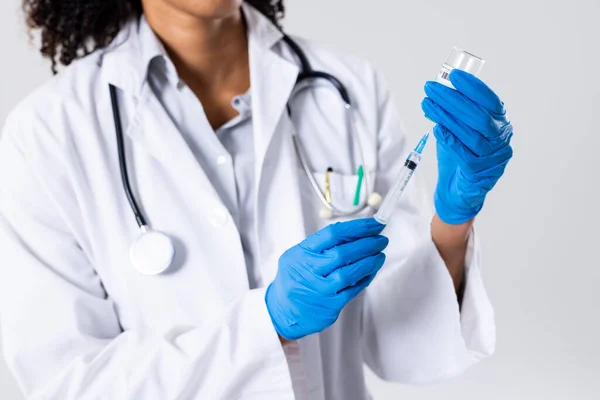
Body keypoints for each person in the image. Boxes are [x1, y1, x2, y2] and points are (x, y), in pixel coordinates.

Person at [0, 0, 513, 399]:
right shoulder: (46, 135)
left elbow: (399, 341)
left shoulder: (348, 91)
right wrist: (266, 323)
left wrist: (451, 220)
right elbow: (68, 384)